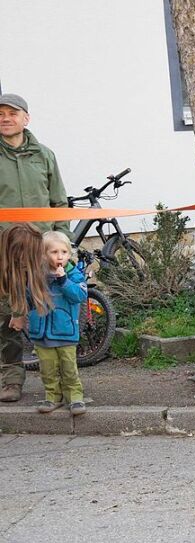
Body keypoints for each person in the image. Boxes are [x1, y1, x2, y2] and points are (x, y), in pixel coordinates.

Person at [0, 93, 70, 404]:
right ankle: (12, 380)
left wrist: (64, 244)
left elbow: (59, 203)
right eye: (0, 113)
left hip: (41, 249)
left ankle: (56, 384)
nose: (5, 118)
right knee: (7, 317)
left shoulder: (44, 156)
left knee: (48, 313)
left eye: (12, 113)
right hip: (5, 250)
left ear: (26, 118)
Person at [27, 231, 87, 415]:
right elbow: (29, 297)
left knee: (69, 368)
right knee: (47, 369)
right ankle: (52, 396)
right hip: (42, 332)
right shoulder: (37, 274)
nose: (60, 256)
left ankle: (75, 397)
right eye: (54, 252)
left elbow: (79, 295)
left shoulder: (73, 274)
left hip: (65, 331)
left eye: (64, 252)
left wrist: (63, 281)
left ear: (70, 254)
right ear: (44, 254)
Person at [1, 225, 52, 403]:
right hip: (6, 286)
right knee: (6, 331)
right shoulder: (6, 263)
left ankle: (59, 383)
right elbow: (12, 286)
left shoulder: (36, 256)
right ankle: (11, 380)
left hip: (35, 233)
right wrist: (17, 313)